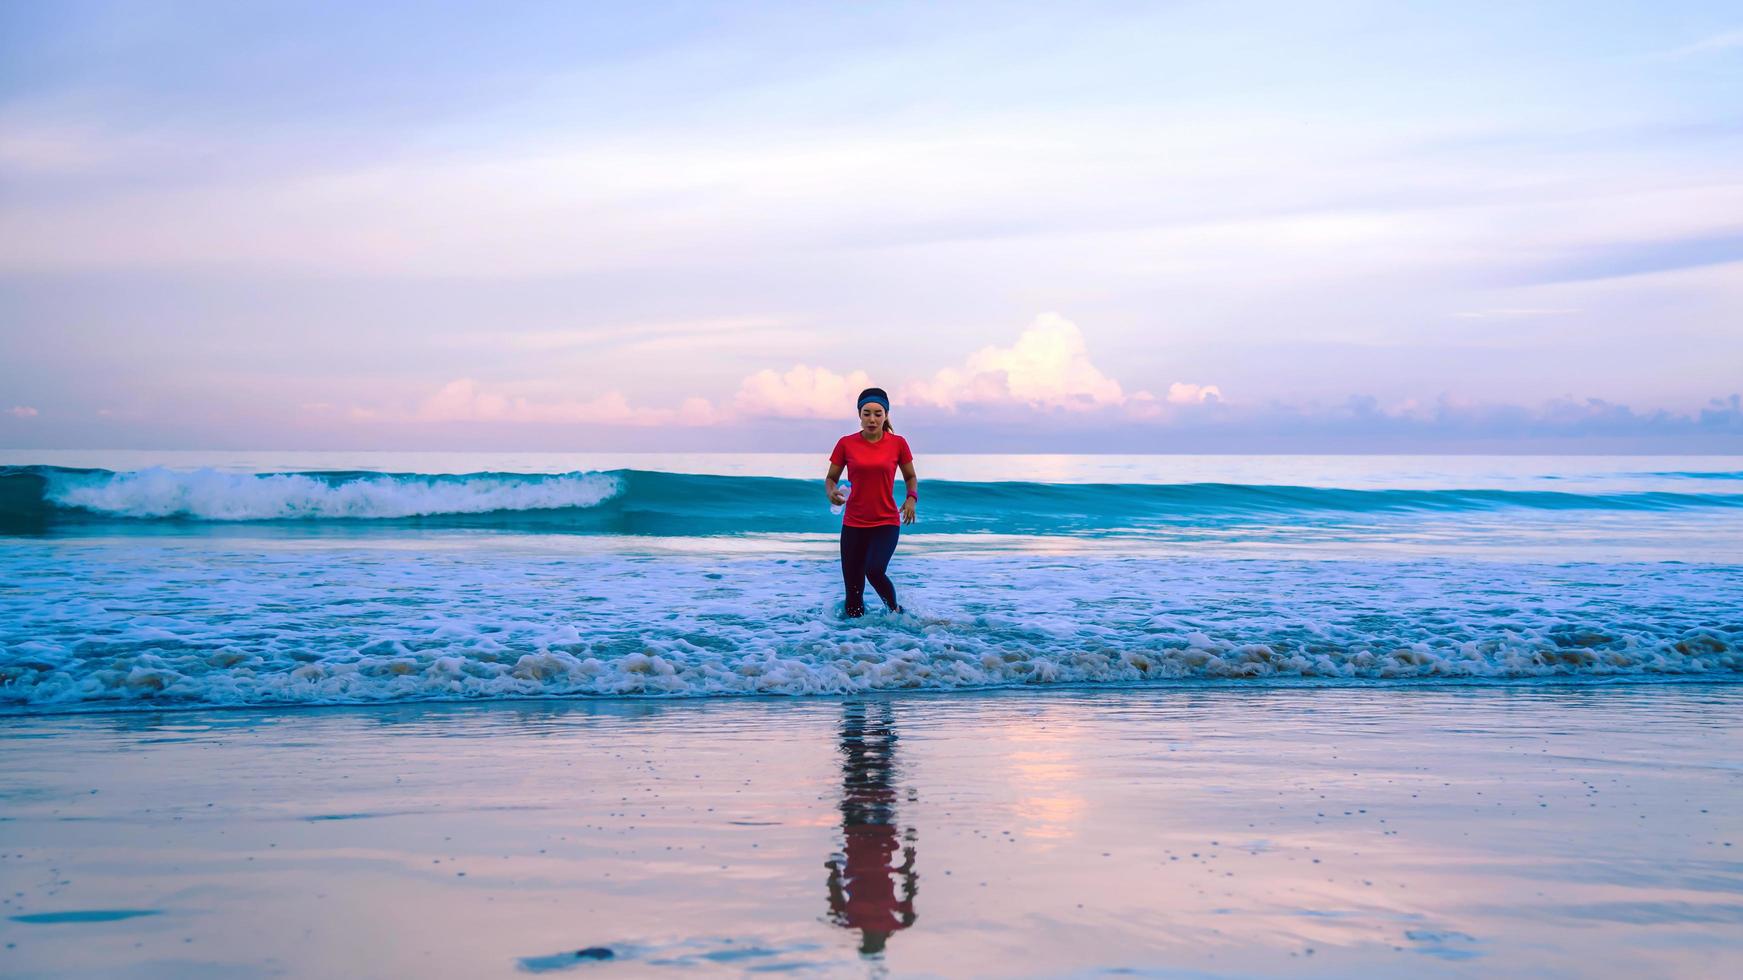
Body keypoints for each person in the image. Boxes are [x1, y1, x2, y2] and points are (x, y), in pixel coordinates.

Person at [825, 387, 917, 618]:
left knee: (874, 570)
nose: (872, 419)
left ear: (886, 415)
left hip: (885, 522)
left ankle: (895, 614)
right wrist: (831, 491)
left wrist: (910, 498)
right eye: (867, 413)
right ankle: (854, 647)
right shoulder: (846, 443)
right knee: (853, 597)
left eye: (878, 413)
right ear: (859, 414)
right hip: (854, 524)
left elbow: (910, 476)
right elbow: (831, 478)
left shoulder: (898, 443)